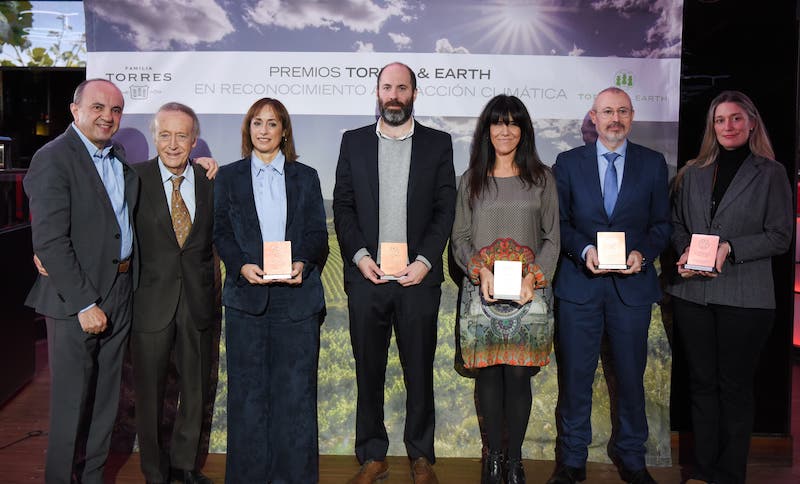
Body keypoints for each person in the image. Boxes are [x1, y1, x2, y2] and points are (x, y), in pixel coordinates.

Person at [332, 62, 456, 484]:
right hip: (367, 278)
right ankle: (373, 455)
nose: (394, 95)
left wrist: (424, 261)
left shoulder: (438, 144)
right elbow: (343, 206)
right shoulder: (354, 142)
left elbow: (445, 209)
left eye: (402, 87)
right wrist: (360, 256)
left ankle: (421, 456)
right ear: (378, 92)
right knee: (368, 369)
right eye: (387, 87)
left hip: (417, 280)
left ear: (414, 94)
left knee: (419, 368)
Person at [666, 91, 792, 484]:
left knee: (733, 388)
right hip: (692, 295)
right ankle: (703, 472)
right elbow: (675, 225)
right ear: (712, 126)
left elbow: (781, 236)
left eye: (736, 119)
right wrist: (684, 250)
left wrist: (730, 248)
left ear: (752, 123)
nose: (728, 127)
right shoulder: (692, 172)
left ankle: (729, 475)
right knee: (702, 385)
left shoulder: (771, 173)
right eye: (720, 120)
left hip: (746, 297)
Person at [548, 86, 672, 484]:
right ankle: (572, 459)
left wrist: (644, 254)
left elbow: (661, 226)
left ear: (631, 117)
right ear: (594, 117)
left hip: (631, 289)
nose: (614, 118)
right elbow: (560, 225)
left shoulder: (653, 164)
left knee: (631, 377)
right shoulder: (567, 163)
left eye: (622, 111)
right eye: (607, 112)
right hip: (580, 286)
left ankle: (633, 457)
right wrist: (584, 250)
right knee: (575, 376)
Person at [23, 78, 138, 484]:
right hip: (77, 301)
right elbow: (50, 240)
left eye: (116, 110)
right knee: (71, 403)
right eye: (98, 107)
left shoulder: (117, 155)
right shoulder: (53, 157)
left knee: (105, 401)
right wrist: (84, 303)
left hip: (121, 290)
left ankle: (91, 478)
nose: (108, 116)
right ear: (75, 110)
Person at [213, 97, 328, 483]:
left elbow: (317, 235)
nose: (264, 130)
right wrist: (239, 265)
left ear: (284, 131)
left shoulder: (306, 176)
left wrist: (303, 263)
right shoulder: (228, 177)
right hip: (247, 302)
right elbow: (222, 234)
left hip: (296, 302)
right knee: (247, 399)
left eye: (272, 123)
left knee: (295, 397)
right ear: (248, 129)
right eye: (257, 123)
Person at [450, 95, 559, 484]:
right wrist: (479, 270)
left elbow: (553, 239)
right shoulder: (471, 180)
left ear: (524, 131)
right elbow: (459, 238)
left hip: (529, 295)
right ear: (487, 130)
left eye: (514, 123)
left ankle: (515, 459)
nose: (505, 130)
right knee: (489, 376)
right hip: (483, 293)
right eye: (498, 123)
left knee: (516, 377)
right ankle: (493, 458)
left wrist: (534, 277)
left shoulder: (542, 179)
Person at [129, 102, 218, 484]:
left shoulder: (210, 180)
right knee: (148, 395)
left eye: (182, 135)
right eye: (165, 134)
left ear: (194, 140)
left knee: (195, 389)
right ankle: (153, 470)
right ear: (154, 137)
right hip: (150, 304)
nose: (173, 143)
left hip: (197, 303)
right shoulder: (134, 178)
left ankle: (184, 465)